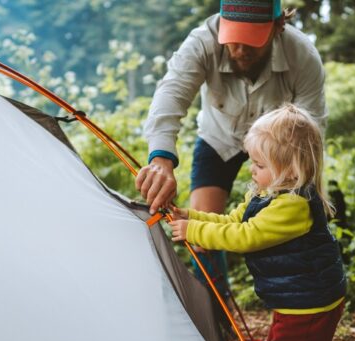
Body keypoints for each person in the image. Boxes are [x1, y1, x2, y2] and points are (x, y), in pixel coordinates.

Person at [135, 0, 327, 296]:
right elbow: (170, 95)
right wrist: (161, 159)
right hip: (218, 138)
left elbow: (312, 132)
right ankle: (218, 314)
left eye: (252, 41)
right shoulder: (202, 41)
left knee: (291, 224)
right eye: (233, 39)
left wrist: (307, 191)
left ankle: (297, 296)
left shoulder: (303, 55)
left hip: (279, 152)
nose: (239, 50)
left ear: (278, 26)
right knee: (201, 237)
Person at [168, 105, 346, 341]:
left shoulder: (293, 206)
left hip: (311, 302)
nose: (252, 169)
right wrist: (192, 216)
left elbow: (245, 237)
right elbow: (232, 221)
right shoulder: (265, 195)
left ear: (289, 169)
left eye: (260, 165)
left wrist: (193, 232)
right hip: (294, 296)